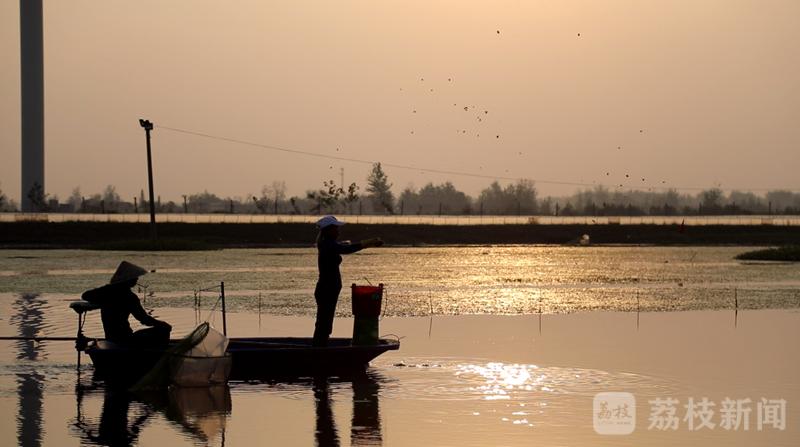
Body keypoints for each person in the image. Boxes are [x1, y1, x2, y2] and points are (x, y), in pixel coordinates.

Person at [313, 215, 383, 347]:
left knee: (325, 322)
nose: (338, 231)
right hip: (327, 289)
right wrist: (366, 243)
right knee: (324, 323)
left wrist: (348, 244)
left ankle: (319, 346)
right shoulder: (328, 245)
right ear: (328, 230)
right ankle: (318, 349)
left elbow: (341, 246)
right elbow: (345, 249)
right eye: (336, 229)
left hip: (328, 289)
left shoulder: (327, 243)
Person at [82, 261, 172, 348]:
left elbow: (86, 295)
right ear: (128, 278)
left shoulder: (107, 291)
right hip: (126, 339)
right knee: (164, 329)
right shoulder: (129, 297)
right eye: (135, 277)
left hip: (111, 338)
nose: (137, 279)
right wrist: (162, 324)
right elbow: (144, 319)